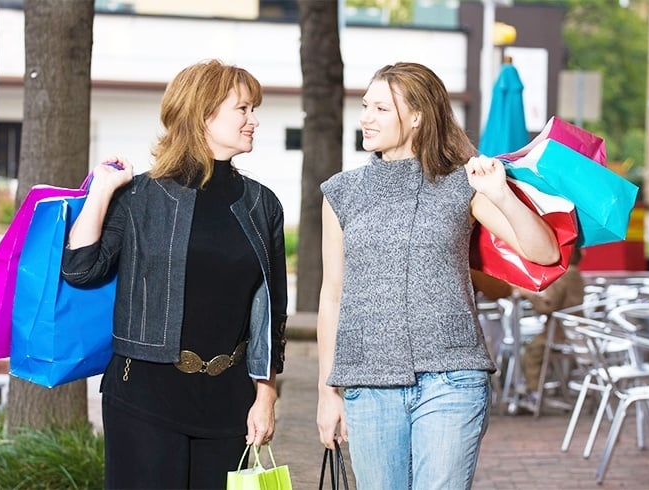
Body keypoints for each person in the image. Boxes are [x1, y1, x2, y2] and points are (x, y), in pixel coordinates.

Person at [315, 61, 560, 490]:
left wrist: (500, 192)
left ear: (417, 116)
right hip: (368, 384)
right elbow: (332, 295)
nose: (366, 118)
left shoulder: (461, 184)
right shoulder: (342, 192)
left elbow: (544, 251)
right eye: (365, 106)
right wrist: (326, 392)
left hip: (452, 379)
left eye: (380, 109)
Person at [61, 59, 288, 490]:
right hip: (144, 397)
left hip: (230, 403)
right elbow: (81, 268)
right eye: (243, 109)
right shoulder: (142, 195)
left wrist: (266, 394)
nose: (254, 120)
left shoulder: (263, 205)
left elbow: (273, 312)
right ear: (203, 114)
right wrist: (102, 191)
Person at [519, 248, 585, 397]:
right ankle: (543, 389)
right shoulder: (576, 273)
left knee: (532, 350)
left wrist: (529, 295)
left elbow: (547, 307)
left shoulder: (563, 276)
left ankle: (534, 392)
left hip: (558, 333)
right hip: (575, 330)